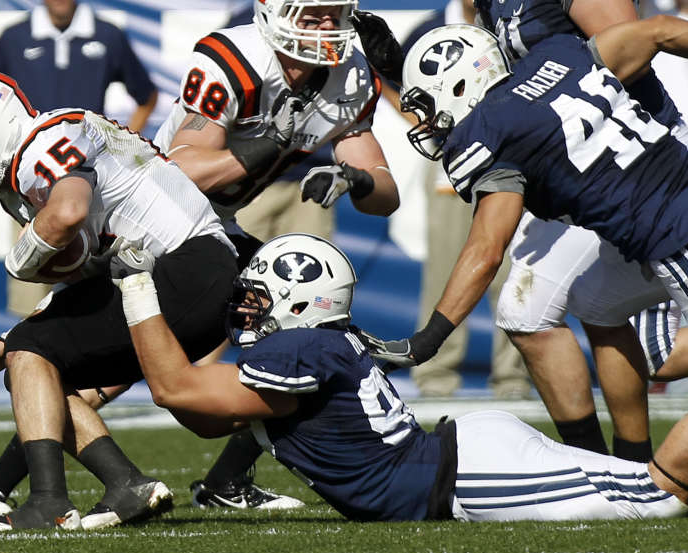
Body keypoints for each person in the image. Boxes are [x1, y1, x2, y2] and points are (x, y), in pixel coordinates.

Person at [81, 232, 688, 522]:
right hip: (468, 456)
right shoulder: (316, 345)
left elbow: (176, 389)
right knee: (656, 487)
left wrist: (137, 288)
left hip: (464, 478)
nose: (245, 310)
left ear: (300, 302)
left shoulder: (300, 348)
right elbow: (205, 419)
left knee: (660, 496)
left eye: (258, 298)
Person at [0, 70, 236, 531]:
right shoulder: (53, 140)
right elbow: (86, 284)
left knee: (32, 350)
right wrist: (8, 340)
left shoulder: (42, 145)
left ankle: (48, 502)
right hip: (185, 278)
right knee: (33, 360)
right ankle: (126, 485)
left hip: (182, 273)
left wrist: (19, 261)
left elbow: (67, 212)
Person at [151, 0, 400, 509]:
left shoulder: (349, 75)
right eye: (312, 16)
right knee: (107, 363)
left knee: (311, 332)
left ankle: (224, 482)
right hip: (156, 215)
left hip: (217, 222)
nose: (327, 28)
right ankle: (6, 487)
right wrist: (265, 144)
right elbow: (181, 171)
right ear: (276, 14)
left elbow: (385, 196)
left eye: (335, 15)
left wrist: (355, 178)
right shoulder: (236, 58)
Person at [375, 15, 688, 419]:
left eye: (428, 105)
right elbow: (659, 29)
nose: (428, 121)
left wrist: (428, 339)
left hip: (673, 229)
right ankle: (623, 454)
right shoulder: (557, 54)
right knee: (602, 310)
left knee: (663, 365)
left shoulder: (488, 131)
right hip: (663, 212)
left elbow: (487, 248)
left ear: (459, 87)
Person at [0, 0, 158, 318]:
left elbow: (146, 95)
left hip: (91, 183)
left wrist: (122, 146)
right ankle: (28, 347)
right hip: (30, 183)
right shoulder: (14, 38)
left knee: (92, 291)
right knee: (30, 292)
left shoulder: (107, 35)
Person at [391, 0, 531, 399]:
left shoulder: (514, 23)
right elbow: (392, 83)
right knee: (447, 271)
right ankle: (436, 375)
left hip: (511, 160)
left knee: (512, 275)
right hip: (450, 164)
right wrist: (429, 123)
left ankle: (513, 379)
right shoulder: (433, 28)